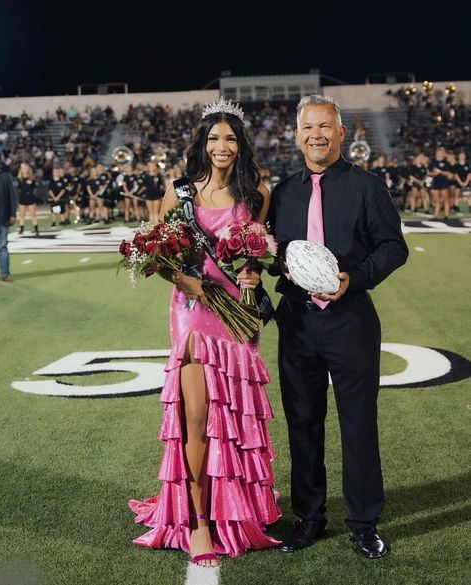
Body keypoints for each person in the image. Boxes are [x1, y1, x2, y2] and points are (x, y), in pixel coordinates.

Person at [128, 98, 281, 568]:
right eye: (214, 138)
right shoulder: (181, 194)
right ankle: (198, 523)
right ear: (201, 143)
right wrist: (185, 280)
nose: (222, 146)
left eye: (230, 138)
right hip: (193, 309)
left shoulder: (257, 190)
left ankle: (235, 508)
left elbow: (257, 251)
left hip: (236, 312)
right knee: (196, 415)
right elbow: (156, 255)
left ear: (241, 144)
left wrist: (255, 271)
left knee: (230, 417)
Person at [268, 95, 409, 559]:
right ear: (295, 135)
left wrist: (355, 278)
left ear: (342, 133)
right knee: (302, 423)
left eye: (325, 127)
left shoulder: (367, 187)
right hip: (297, 323)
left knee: (358, 424)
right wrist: (272, 267)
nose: (317, 135)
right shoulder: (282, 192)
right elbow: (271, 256)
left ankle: (364, 521)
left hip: (350, 321)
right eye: (308, 127)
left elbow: (393, 246)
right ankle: (309, 517)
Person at [0, 161, 17, 282]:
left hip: (2, 217)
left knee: (3, 246)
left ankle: (5, 273)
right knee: (3, 246)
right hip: (2, 217)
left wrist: (12, 214)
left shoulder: (5, 176)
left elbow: (12, 196)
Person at [16, 162, 39, 236]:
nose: (25, 170)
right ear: (21, 170)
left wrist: (31, 194)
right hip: (22, 198)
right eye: (23, 168)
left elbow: (34, 189)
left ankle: (36, 229)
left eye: (26, 168)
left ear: (29, 169)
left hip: (30, 198)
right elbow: (19, 188)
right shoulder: (19, 179)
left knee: (33, 214)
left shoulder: (32, 178)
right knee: (21, 215)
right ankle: (21, 228)